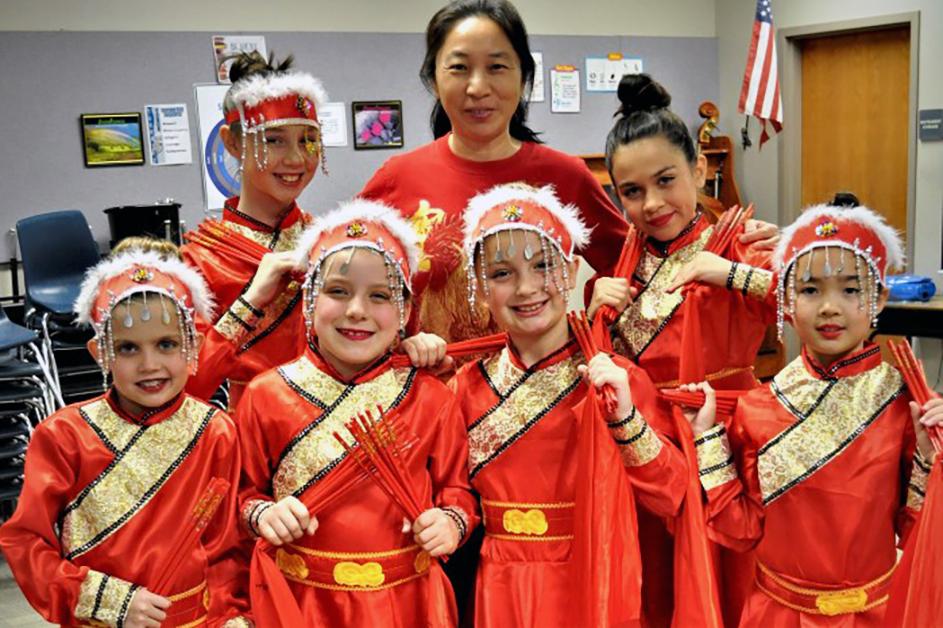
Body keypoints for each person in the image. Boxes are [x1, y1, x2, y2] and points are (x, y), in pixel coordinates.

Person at [683, 199, 943, 625]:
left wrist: (931, 456)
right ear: (786, 299)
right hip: (776, 615)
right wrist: (707, 436)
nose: (829, 306)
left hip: (874, 615)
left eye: (850, 289)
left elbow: (916, 532)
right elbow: (739, 529)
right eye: (809, 289)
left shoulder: (903, 404)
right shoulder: (757, 407)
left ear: (878, 297)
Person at [589, 72, 780, 627]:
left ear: (700, 168)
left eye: (666, 180)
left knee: (728, 583)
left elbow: (807, 306)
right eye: (631, 191)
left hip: (723, 439)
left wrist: (734, 274)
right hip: (643, 446)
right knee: (653, 584)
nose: (651, 203)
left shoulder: (741, 242)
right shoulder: (624, 259)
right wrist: (594, 298)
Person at [450, 183, 687, 627]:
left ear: (573, 269)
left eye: (544, 266)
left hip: (592, 581)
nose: (527, 288)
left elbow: (673, 494)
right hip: (498, 585)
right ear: (480, 291)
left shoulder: (615, 377)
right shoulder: (465, 387)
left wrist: (625, 419)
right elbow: (450, 491)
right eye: (501, 274)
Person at [236, 199, 478, 625]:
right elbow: (243, 493)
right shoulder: (265, 395)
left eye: (380, 296)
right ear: (310, 300)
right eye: (338, 291)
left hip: (409, 604)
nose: (356, 311)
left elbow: (456, 491)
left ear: (404, 312)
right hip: (303, 603)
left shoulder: (431, 397)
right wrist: (265, 514)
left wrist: (451, 523)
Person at [0, 243, 246, 627]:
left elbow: (227, 548)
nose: (150, 365)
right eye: (128, 348)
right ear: (100, 353)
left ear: (193, 346)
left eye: (166, 344)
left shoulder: (215, 430)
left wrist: (231, 615)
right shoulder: (63, 436)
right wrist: (102, 598)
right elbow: (25, 541)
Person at [360, 0, 629, 344]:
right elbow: (347, 282)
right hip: (432, 390)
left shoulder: (565, 176)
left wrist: (598, 304)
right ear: (433, 79)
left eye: (497, 67)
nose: (477, 87)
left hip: (540, 391)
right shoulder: (398, 177)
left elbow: (636, 265)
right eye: (459, 68)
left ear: (524, 77)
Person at [181, 51, 325, 410]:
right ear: (232, 142)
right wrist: (252, 301)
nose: (296, 159)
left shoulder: (328, 240)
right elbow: (187, 386)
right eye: (274, 140)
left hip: (338, 428)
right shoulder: (202, 258)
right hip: (254, 431)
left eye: (307, 139)